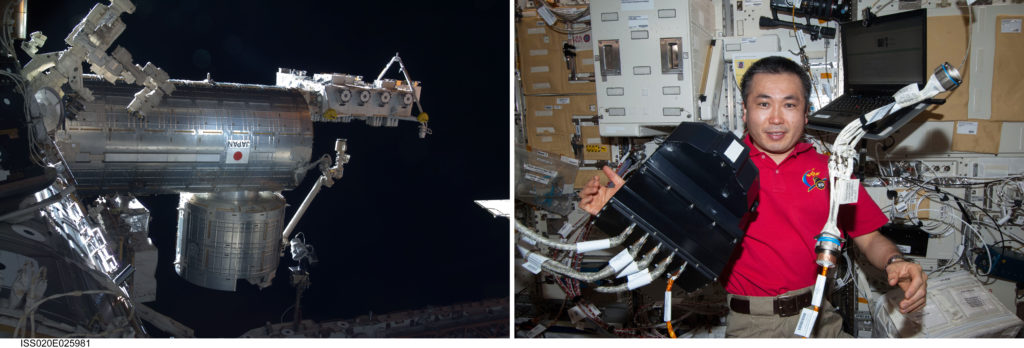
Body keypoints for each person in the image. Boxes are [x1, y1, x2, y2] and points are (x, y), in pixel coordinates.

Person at [579, 56, 926, 338]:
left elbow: (867, 236)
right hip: (753, 325)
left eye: (789, 105)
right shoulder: (713, 170)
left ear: (805, 114)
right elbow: (674, 234)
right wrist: (628, 207)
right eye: (764, 104)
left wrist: (896, 262)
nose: (776, 118)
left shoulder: (831, 169)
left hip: (822, 319)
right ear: (745, 112)